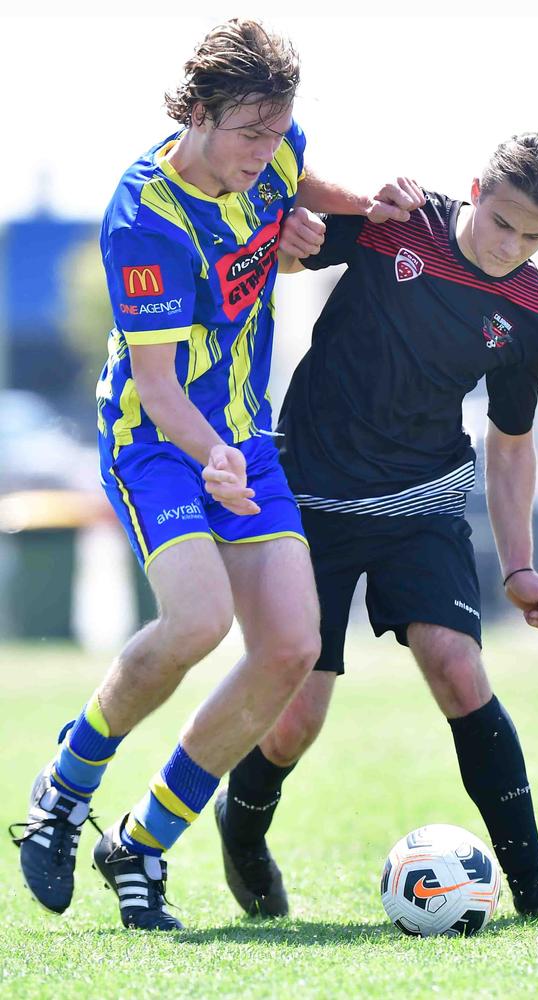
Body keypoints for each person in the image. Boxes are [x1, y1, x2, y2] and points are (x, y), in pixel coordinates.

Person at [10, 18, 421, 931]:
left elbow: (305, 180)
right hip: (159, 441)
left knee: (288, 649)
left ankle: (141, 844)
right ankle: (65, 783)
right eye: (249, 134)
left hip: (245, 438)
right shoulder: (144, 216)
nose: (265, 152)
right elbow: (156, 385)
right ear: (196, 114)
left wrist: (370, 204)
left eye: (277, 132)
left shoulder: (271, 150)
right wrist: (212, 459)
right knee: (196, 620)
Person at [209, 132, 538, 920]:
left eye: (534, 237)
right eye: (501, 222)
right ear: (475, 189)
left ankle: (533, 890)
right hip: (314, 494)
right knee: (298, 717)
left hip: (423, 497)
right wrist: (296, 231)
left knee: (457, 668)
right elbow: (289, 248)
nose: (511, 247)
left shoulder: (534, 318)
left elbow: (510, 447)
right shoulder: (398, 219)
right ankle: (244, 826)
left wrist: (520, 566)